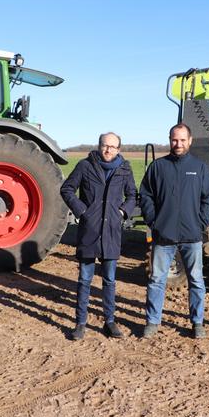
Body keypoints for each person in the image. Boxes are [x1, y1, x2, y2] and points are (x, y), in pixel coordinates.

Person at [139, 123, 209, 339]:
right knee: (156, 279)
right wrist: (154, 221)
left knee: (196, 280)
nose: (178, 144)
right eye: (174, 140)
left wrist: (201, 222)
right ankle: (153, 321)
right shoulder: (158, 167)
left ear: (190, 141)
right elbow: (145, 195)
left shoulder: (199, 168)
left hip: (192, 235)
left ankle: (197, 322)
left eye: (182, 140)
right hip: (164, 236)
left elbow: (208, 198)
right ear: (169, 140)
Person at [60, 132, 137, 341]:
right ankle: (80, 323)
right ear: (99, 146)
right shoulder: (85, 166)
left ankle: (109, 321)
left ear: (119, 149)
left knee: (110, 280)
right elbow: (67, 189)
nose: (108, 150)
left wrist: (122, 212)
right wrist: (82, 211)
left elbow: (132, 195)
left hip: (111, 232)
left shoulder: (124, 169)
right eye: (105, 145)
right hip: (90, 231)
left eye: (113, 147)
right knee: (85, 279)